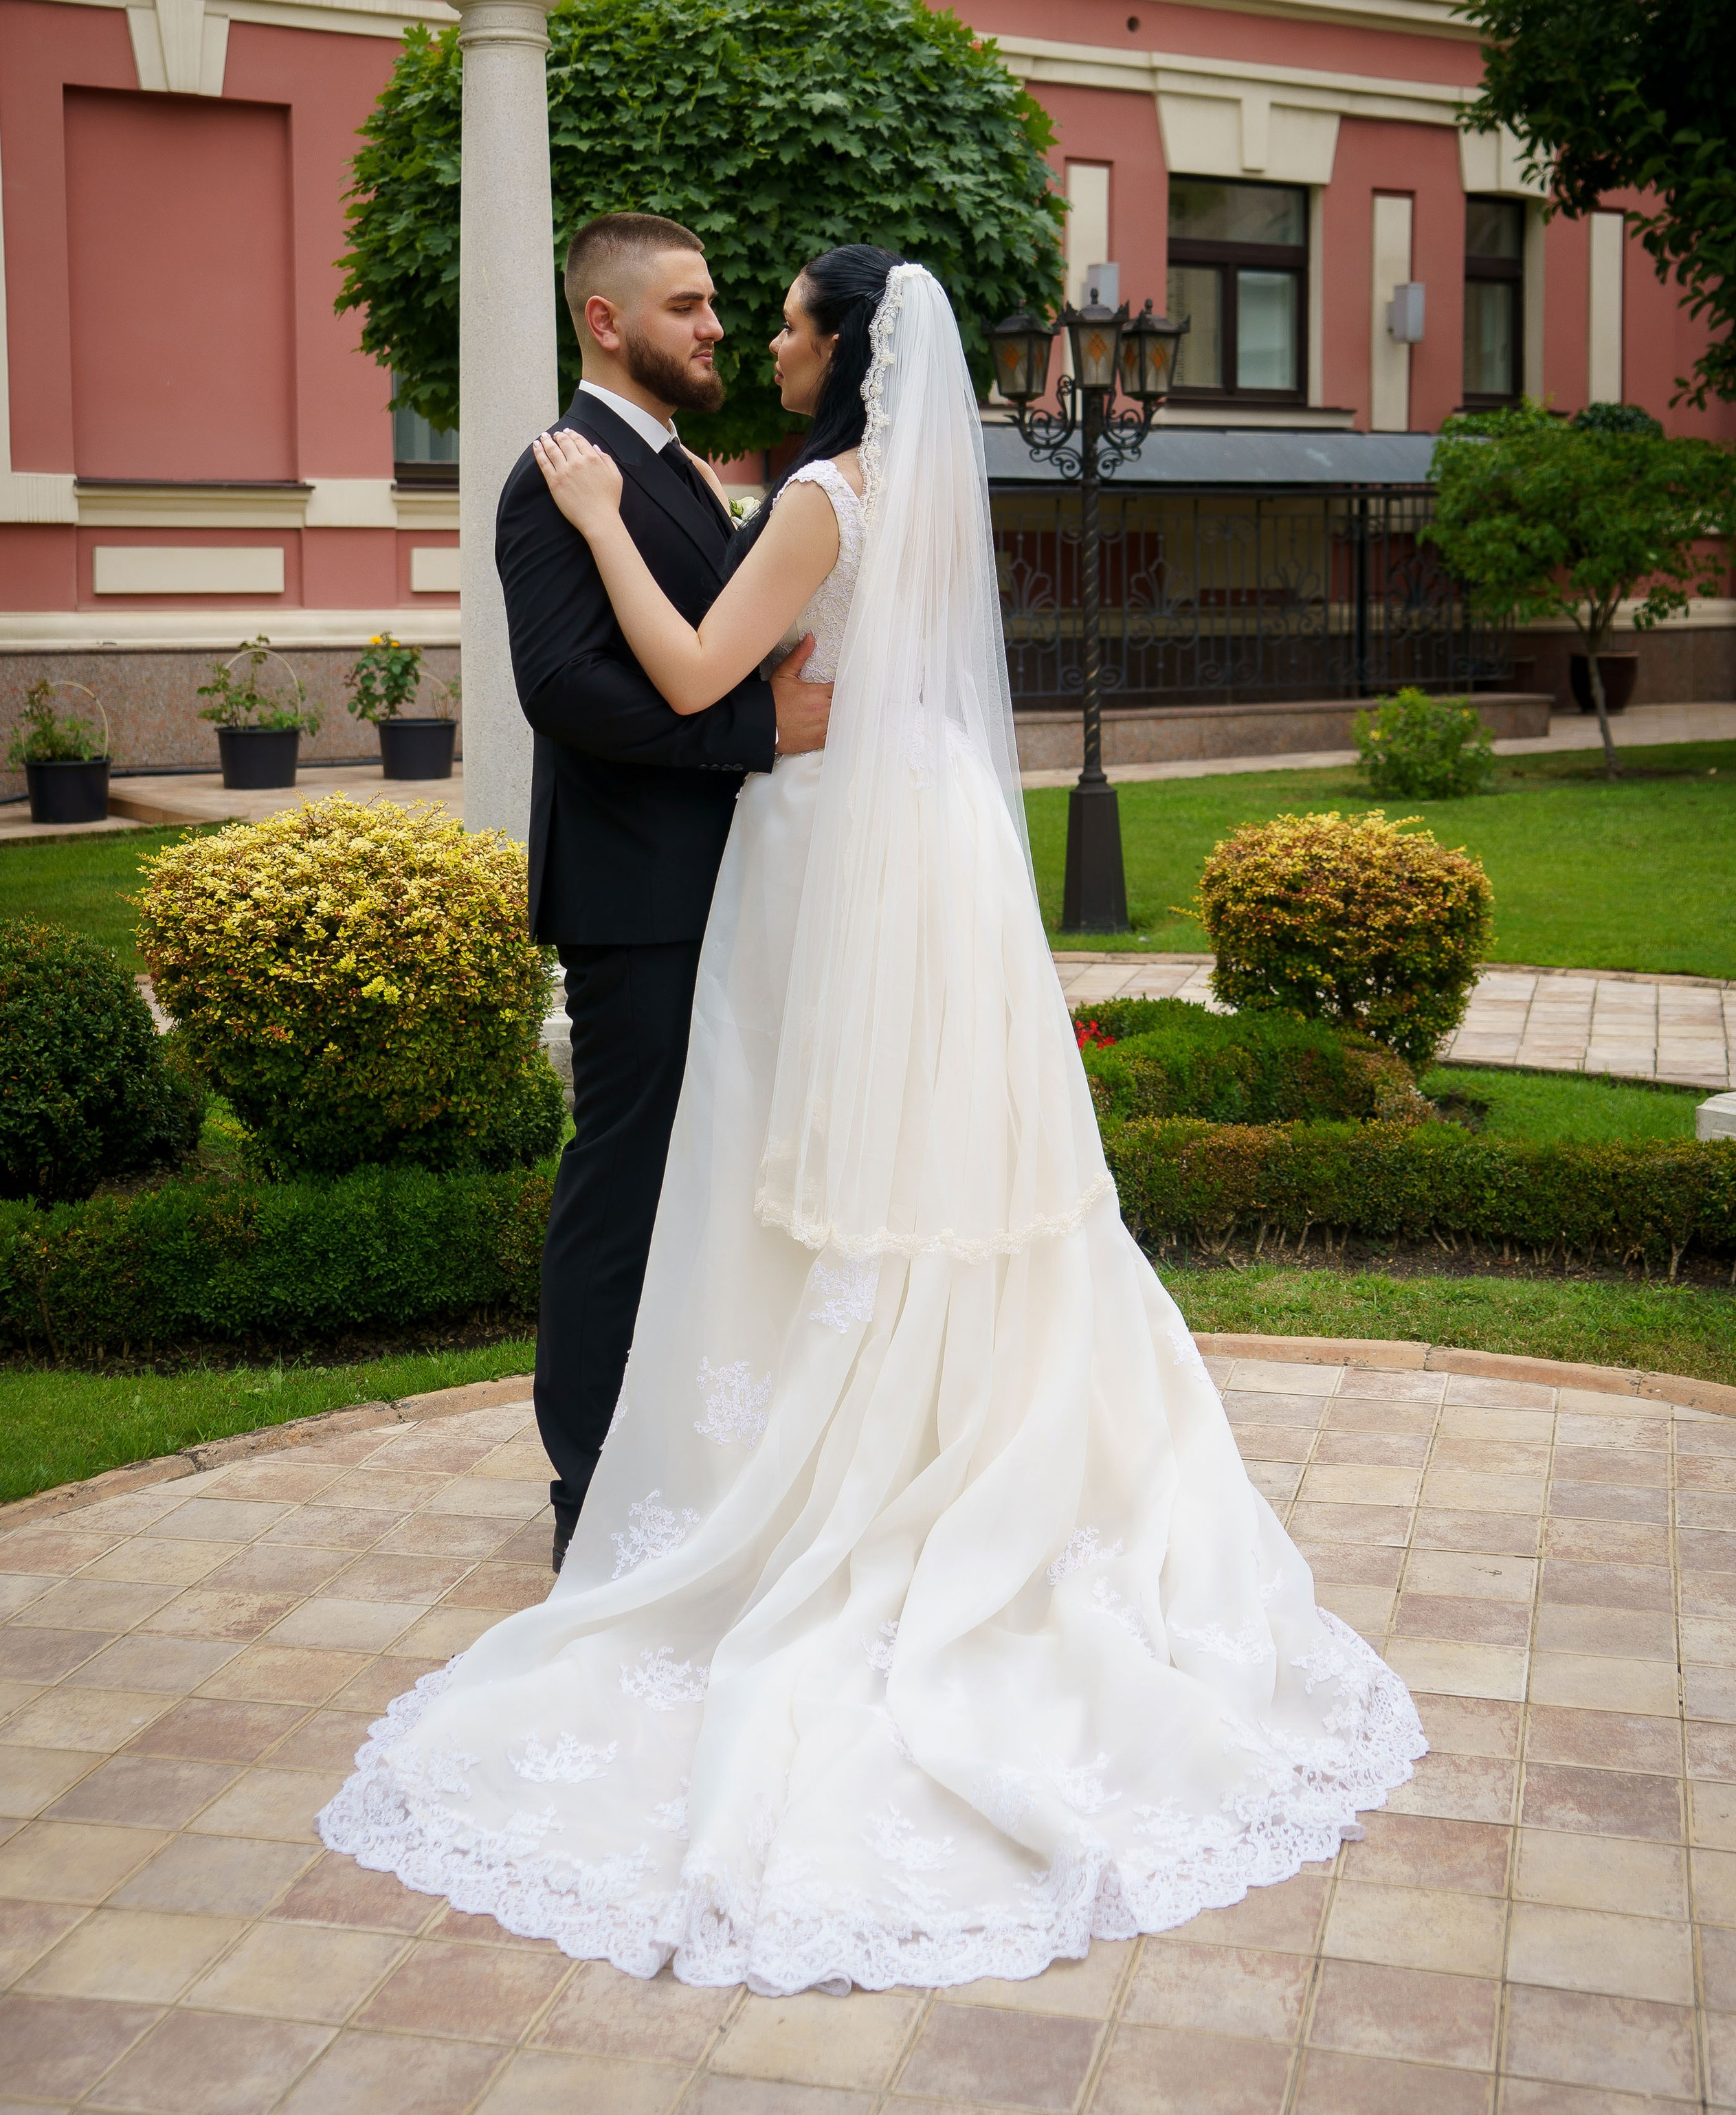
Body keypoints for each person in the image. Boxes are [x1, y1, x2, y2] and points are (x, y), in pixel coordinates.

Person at [322, 255, 1423, 1993]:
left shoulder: (813, 492)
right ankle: (824, 1453)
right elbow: (690, 686)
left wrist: (616, 528)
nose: (752, 338)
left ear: (840, 352)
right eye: (713, 309)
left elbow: (688, 672)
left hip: (829, 852)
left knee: (805, 1161)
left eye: (772, 317)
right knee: (908, 1166)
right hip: (923, 853)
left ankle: (795, 1478)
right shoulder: (889, 490)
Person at [491, 212, 831, 1572]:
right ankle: (586, 1485)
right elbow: (564, 689)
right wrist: (756, 733)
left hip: (720, 882)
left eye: (716, 303)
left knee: (705, 1187)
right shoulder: (555, 477)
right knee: (621, 1187)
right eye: (686, 306)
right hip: (634, 897)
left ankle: (683, 1455)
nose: (713, 327)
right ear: (605, 321)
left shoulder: (681, 473)